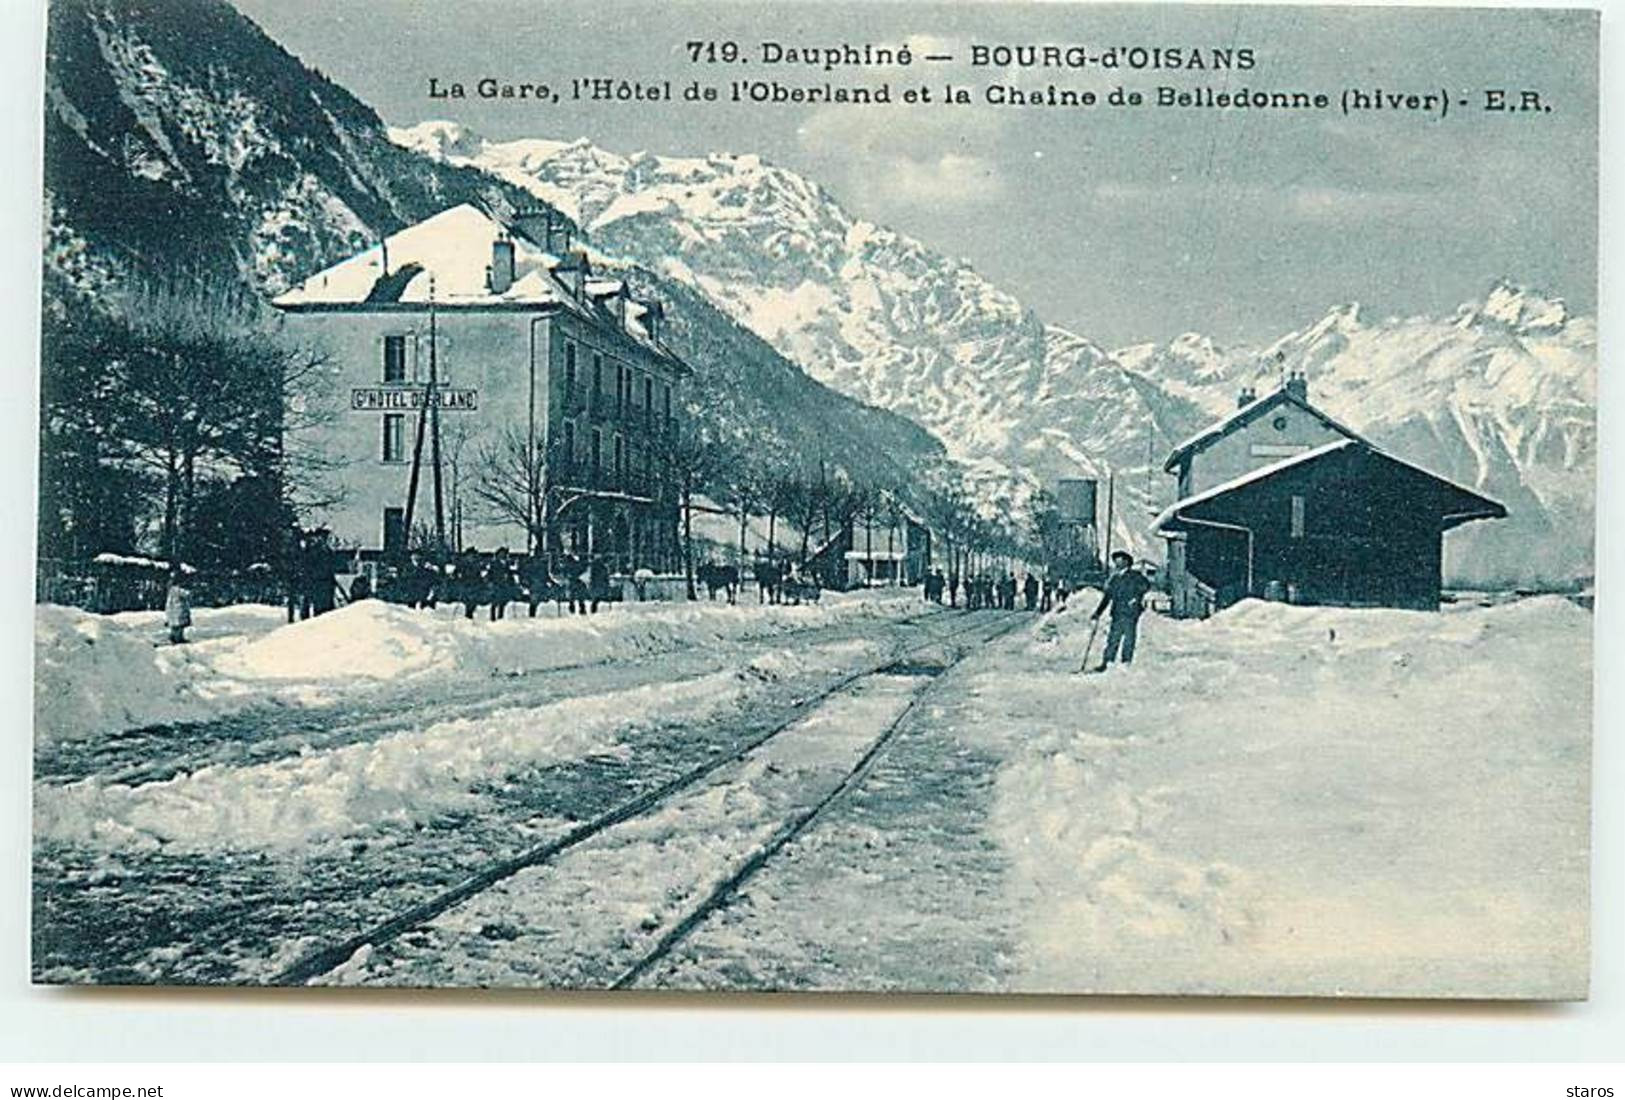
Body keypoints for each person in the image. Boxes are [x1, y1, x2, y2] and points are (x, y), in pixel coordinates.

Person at [1090, 551, 1153, 671]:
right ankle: (1107, 662)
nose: (1116, 563)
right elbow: (1107, 597)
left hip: (1130, 613)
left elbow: (1146, 586)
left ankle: (1126, 663)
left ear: (1126, 562)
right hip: (1117, 613)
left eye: (1119, 560)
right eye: (1115, 560)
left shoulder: (1135, 576)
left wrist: (1135, 598)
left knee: (1129, 639)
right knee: (1113, 639)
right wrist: (1098, 612)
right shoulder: (1115, 579)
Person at [164, 565, 192, 645]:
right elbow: (186, 594)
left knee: (177, 626)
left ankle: (175, 637)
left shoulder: (171, 590)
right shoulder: (176, 589)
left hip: (175, 610)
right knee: (178, 626)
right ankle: (176, 638)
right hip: (178, 610)